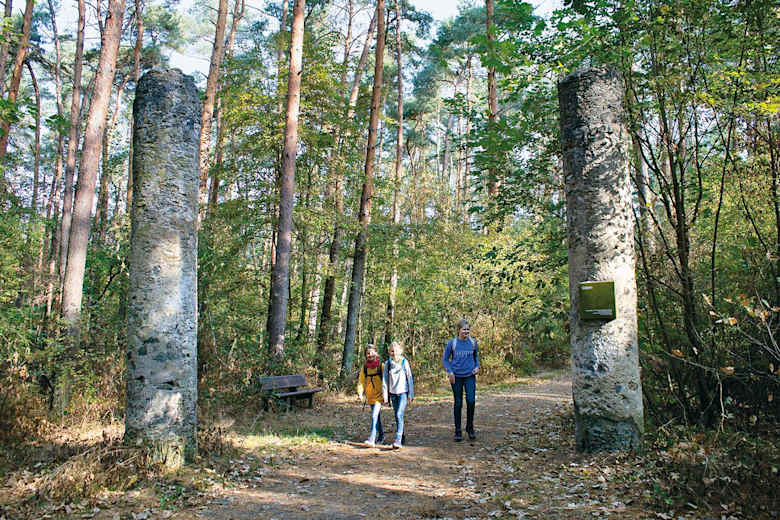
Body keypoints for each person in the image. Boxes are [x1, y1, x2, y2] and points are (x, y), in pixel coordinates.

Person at [442, 319, 480, 442]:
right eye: (464, 329)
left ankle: (470, 427)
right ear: (458, 330)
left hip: (470, 376)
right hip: (456, 376)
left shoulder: (473, 343)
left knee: (471, 401)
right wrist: (450, 372)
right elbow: (445, 359)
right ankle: (458, 430)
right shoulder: (452, 343)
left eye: (468, 329)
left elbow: (476, 357)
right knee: (458, 403)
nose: (466, 332)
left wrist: (477, 367)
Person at [382, 341, 414, 449]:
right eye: (392, 351)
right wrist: (385, 395)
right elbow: (385, 380)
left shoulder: (404, 362)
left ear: (400, 351)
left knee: (400, 414)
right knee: (397, 415)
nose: (394, 353)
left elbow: (409, 377)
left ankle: (398, 439)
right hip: (393, 394)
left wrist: (411, 394)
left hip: (403, 392)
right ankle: (402, 434)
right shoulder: (388, 364)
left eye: (396, 351)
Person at [357, 345, 385, 447]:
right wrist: (360, 393)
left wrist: (388, 394)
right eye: (368, 353)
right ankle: (381, 436)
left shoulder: (381, 366)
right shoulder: (365, 368)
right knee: (376, 417)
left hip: (379, 396)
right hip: (370, 397)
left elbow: (387, 381)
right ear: (365, 355)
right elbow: (361, 381)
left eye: (372, 352)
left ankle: (372, 439)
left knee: (374, 416)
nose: (370, 355)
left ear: (376, 353)